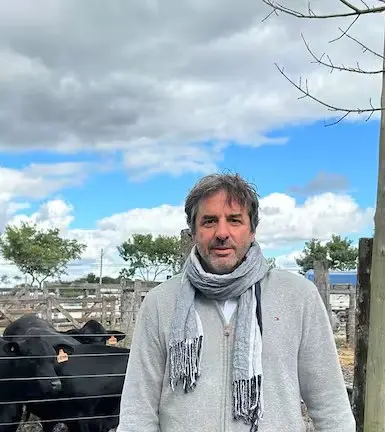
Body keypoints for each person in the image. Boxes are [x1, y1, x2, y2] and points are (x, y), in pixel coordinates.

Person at [115, 173, 355, 431]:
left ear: (252, 230)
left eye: (234, 220)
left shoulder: (298, 297)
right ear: (194, 232)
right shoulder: (160, 303)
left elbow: (331, 408)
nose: (222, 233)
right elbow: (138, 411)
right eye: (209, 221)